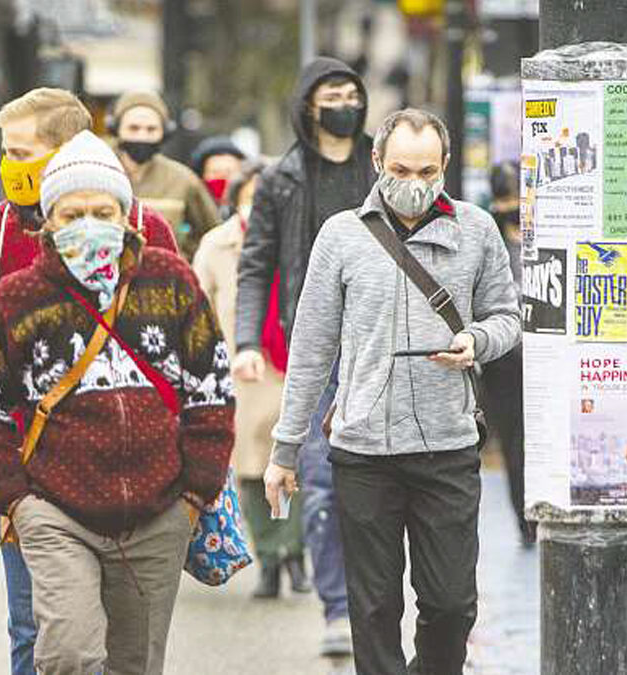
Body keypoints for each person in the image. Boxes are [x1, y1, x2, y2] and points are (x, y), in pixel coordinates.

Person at [0, 130, 235, 673]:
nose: (88, 224)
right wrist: (16, 501)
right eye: (71, 213)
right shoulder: (17, 298)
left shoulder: (170, 282)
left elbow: (212, 387)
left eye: (102, 210)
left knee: (135, 663)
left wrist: (195, 493)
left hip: (159, 515)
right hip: (55, 514)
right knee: (67, 654)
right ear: (47, 221)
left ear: (128, 216)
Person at [264, 108, 521, 675]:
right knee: (375, 606)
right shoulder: (341, 235)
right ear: (377, 162)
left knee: (451, 604)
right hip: (364, 451)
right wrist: (284, 451)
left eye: (428, 170)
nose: (415, 182)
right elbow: (311, 348)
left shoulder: (476, 231)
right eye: (401, 168)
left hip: (447, 447)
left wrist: (475, 340)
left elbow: (508, 317)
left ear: (446, 166)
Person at [234, 56, 375, 655]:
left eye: (351, 93)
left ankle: (380, 603)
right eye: (332, 94)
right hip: (313, 352)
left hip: (383, 350)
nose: (345, 103)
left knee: (378, 486)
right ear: (308, 107)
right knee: (319, 482)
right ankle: (339, 608)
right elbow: (256, 264)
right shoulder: (283, 178)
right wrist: (245, 341)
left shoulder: (382, 165)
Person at [193, 160, 309, 598]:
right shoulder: (215, 246)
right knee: (249, 472)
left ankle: (294, 553)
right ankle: (269, 559)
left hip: (291, 368)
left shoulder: (300, 243)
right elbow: (197, 308)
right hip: (239, 373)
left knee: (290, 466)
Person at [482, 160, 536, 547]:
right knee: (514, 441)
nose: (510, 206)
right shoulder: (487, 239)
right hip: (503, 362)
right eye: (503, 199)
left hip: (544, 357)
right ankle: (525, 519)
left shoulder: (547, 234)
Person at [109, 90, 220, 260]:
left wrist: (185, 259)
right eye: (133, 128)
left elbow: (213, 233)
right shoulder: (98, 173)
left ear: (165, 132)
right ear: (116, 129)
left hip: (165, 282)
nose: (142, 136)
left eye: (151, 129)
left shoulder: (183, 179)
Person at [190, 135, 247, 219]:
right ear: (202, 176)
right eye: (215, 172)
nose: (223, 179)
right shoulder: (193, 210)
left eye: (229, 172)